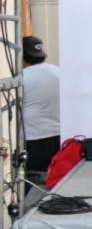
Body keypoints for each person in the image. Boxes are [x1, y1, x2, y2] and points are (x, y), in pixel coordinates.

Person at [21, 36, 59, 177]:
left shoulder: (21, 78)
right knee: (56, 178)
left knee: (35, 182)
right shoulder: (58, 72)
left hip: (34, 138)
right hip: (59, 135)